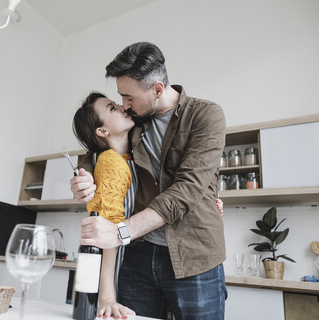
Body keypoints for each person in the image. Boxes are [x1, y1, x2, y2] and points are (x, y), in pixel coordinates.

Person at [71, 42, 227, 320]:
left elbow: (188, 189)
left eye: (129, 97)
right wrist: (84, 177)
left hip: (195, 255)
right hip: (138, 256)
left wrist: (120, 232)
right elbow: (99, 147)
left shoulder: (206, 116)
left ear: (157, 89)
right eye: (120, 98)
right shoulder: (134, 122)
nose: (124, 105)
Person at [72, 92, 137, 319]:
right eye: (112, 108)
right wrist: (108, 297)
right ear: (102, 131)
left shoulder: (128, 159)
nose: (121, 107)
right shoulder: (111, 163)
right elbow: (108, 229)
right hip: (118, 275)